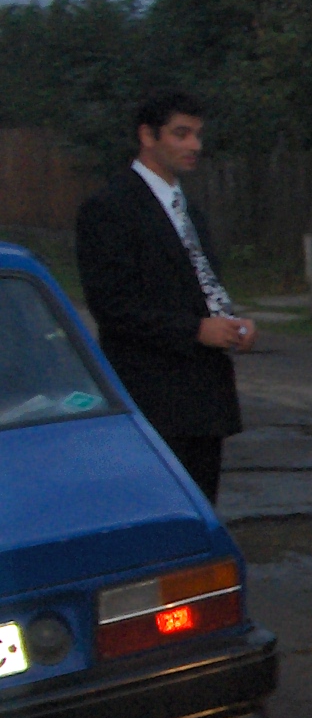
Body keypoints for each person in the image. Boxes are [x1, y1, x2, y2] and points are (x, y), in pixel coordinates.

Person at [73, 90, 254, 502]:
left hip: (203, 401)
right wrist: (195, 330)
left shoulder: (187, 208)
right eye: (181, 134)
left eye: (198, 135)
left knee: (201, 513)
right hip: (153, 399)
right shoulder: (110, 207)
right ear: (147, 136)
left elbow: (198, 285)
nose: (195, 145)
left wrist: (231, 324)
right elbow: (113, 307)